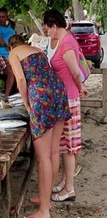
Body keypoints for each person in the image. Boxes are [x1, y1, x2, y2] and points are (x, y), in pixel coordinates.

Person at [7, 34, 70, 218]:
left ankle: (43, 212)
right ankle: (46, 200)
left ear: (11, 46)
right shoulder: (37, 50)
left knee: (43, 158)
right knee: (53, 152)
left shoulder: (14, 53)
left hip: (42, 98)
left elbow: (20, 79)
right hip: (58, 91)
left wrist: (26, 104)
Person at [42, 9, 89, 202]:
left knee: (70, 146)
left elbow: (76, 72)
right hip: (61, 100)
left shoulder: (67, 42)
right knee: (64, 145)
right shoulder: (60, 41)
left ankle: (69, 188)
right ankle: (64, 181)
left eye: (47, 28)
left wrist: (81, 88)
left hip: (69, 99)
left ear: (54, 25)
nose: (47, 32)